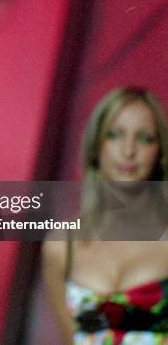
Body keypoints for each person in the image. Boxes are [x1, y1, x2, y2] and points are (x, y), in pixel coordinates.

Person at [42, 87, 168, 344]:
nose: (128, 151)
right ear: (96, 146)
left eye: (144, 138)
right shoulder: (60, 246)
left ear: (161, 153)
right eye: (115, 135)